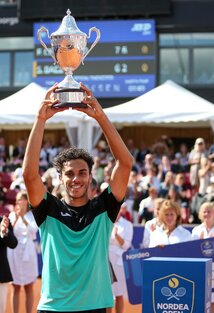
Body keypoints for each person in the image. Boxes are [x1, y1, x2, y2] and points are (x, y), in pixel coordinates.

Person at [22, 83, 133, 312]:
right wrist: (40, 119)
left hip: (94, 306)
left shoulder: (104, 208)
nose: (76, 179)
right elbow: (29, 174)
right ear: (60, 178)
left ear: (90, 176)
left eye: (82, 173)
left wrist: (100, 116)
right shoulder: (47, 209)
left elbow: (125, 163)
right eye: (69, 174)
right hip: (54, 307)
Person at [191, 202, 214, 313]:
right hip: (200, 271)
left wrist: (206, 245)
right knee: (199, 301)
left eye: (209, 211)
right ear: (201, 214)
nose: (206, 214)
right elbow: (192, 251)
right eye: (204, 211)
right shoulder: (196, 230)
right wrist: (206, 244)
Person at [7, 191, 39, 313]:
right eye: (17, 199)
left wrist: (22, 217)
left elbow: (33, 231)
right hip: (14, 252)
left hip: (28, 253)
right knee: (15, 286)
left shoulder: (32, 215)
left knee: (28, 286)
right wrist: (16, 217)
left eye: (20, 199)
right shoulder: (11, 215)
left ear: (26, 201)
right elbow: (10, 232)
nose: (18, 202)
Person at [108, 206, 133, 313]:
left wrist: (116, 235)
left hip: (118, 263)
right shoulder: (104, 222)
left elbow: (126, 245)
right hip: (104, 260)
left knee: (118, 293)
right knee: (106, 293)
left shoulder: (127, 224)